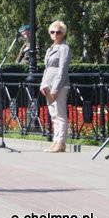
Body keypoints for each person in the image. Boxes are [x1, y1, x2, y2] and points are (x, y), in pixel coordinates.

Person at [41, 20, 71, 153]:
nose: (55, 34)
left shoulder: (64, 48)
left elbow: (62, 70)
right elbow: (47, 68)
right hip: (48, 84)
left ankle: (61, 141)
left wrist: (55, 89)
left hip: (59, 85)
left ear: (63, 33)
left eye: (58, 32)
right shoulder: (50, 48)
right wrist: (43, 84)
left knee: (60, 113)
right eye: (52, 32)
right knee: (53, 114)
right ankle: (56, 141)